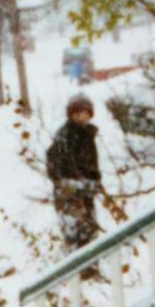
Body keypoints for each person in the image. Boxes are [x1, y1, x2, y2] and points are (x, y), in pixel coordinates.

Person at [44, 94, 103, 250]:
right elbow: (55, 168)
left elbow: (92, 166)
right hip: (70, 198)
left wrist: (95, 182)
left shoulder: (88, 136)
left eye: (86, 113)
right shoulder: (64, 137)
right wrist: (72, 185)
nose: (82, 117)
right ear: (72, 115)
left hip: (86, 196)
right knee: (76, 238)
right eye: (78, 113)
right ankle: (80, 271)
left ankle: (92, 270)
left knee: (91, 235)